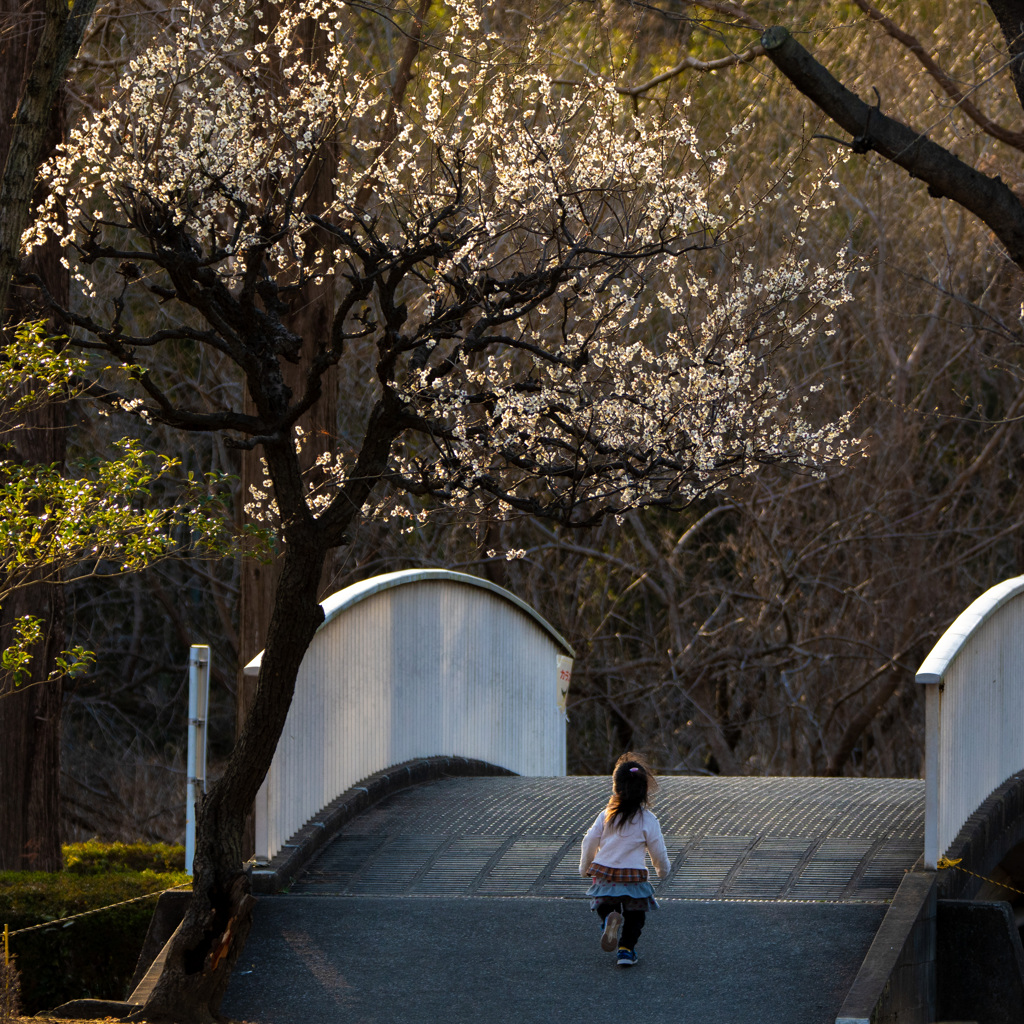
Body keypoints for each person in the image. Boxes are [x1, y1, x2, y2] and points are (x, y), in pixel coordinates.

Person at [579, 752, 670, 967]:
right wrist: (662, 871)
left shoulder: (606, 815)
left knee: (604, 904)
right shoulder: (648, 820)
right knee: (635, 917)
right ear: (644, 791)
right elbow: (658, 849)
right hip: (633, 878)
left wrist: (585, 868)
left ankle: (608, 921)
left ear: (616, 788)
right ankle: (626, 950)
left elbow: (589, 840)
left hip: (605, 875)